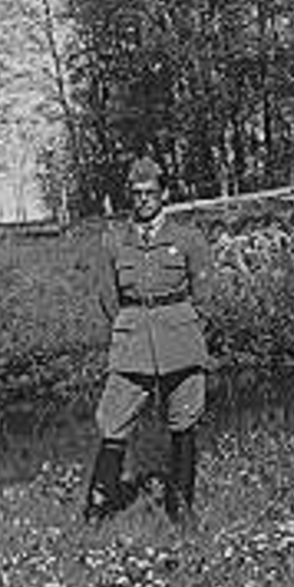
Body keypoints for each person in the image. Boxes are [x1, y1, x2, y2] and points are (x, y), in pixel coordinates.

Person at [84, 155, 213, 530]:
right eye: (137, 193)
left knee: (184, 421)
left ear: (164, 194)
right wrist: (131, 325)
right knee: (112, 421)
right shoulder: (113, 242)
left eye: (150, 193)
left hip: (181, 340)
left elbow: (204, 294)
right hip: (133, 343)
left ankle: (181, 506)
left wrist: (185, 326)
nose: (143, 200)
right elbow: (108, 298)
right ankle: (98, 510)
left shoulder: (187, 238)